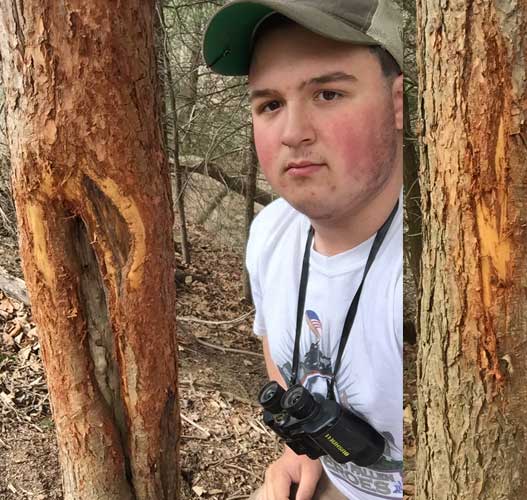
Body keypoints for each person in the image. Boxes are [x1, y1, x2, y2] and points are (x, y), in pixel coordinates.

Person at [203, 1, 404, 499]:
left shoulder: (439, 263)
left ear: (398, 103)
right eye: (270, 104)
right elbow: (277, 348)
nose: (293, 133)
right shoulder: (272, 232)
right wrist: (301, 446)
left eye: (328, 93)